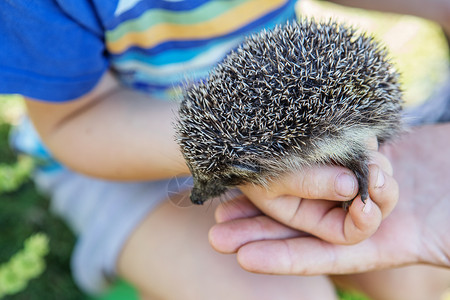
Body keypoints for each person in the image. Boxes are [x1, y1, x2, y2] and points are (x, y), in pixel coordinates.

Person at [0, 1, 448, 300]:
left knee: (419, 278)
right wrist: (225, 154)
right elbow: (75, 122)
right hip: (100, 156)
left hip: (282, 129)